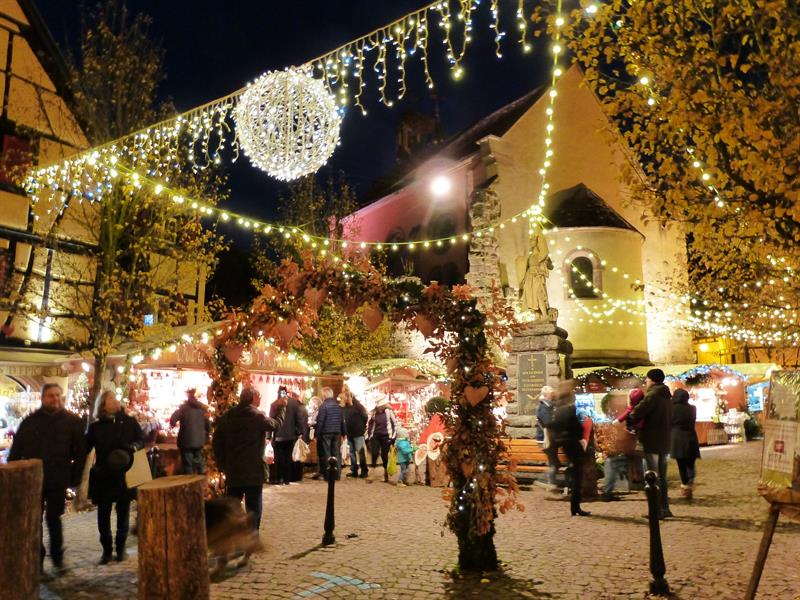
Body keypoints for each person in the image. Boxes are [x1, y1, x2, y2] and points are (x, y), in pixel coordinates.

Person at [8, 382, 87, 573]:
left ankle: (58, 559)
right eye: (51, 395)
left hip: (57, 479)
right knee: (34, 521)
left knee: (54, 519)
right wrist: (14, 475)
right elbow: (16, 451)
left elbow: (80, 453)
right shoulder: (30, 422)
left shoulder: (72, 422)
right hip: (33, 480)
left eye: (58, 395)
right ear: (43, 398)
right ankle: (38, 561)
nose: (55, 399)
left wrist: (74, 478)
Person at [212, 386, 285, 529]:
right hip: (253, 470)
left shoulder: (228, 416)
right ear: (253, 398)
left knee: (233, 506)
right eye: (259, 397)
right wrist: (281, 409)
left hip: (233, 469)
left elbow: (217, 441)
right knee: (253, 506)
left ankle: (235, 536)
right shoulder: (256, 416)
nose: (260, 400)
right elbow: (275, 425)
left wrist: (222, 463)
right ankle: (251, 536)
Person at [86, 391, 145, 564]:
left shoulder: (129, 422)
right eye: (111, 398)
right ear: (103, 404)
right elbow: (86, 446)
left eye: (115, 398)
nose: (115, 401)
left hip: (124, 473)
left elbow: (140, 439)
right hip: (104, 474)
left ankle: (120, 548)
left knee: (123, 511)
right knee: (103, 513)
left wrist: (133, 447)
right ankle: (106, 550)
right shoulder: (96, 427)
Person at [630, 368, 673, 519]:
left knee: (652, 477)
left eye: (647, 380)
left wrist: (630, 416)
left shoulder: (653, 394)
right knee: (661, 477)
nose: (646, 382)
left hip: (652, 440)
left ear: (652, 380)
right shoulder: (667, 395)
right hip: (664, 441)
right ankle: (665, 508)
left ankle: (656, 511)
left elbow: (638, 412)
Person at [548, 381, 592, 516]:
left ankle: (575, 506)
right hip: (572, 444)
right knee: (577, 476)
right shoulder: (568, 408)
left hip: (564, 444)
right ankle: (575, 506)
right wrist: (580, 435)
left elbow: (553, 425)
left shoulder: (558, 408)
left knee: (575, 474)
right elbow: (575, 427)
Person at [271, 386, 307, 485]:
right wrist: (299, 432)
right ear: (286, 392)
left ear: (278, 392)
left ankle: (279, 478)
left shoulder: (274, 404)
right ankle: (287, 479)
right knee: (288, 458)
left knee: (279, 458)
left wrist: (268, 436)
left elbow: (271, 421)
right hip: (290, 436)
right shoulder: (294, 403)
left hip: (278, 436)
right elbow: (299, 420)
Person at [169, 388, 210, 474]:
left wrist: (173, 425)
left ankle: (189, 482)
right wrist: (206, 434)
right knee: (199, 463)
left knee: (188, 465)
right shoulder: (202, 409)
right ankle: (201, 482)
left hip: (186, 441)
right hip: (199, 441)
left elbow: (173, 420)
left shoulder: (183, 409)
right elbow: (208, 425)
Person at [671, 388, 700, 500]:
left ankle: (685, 486)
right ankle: (690, 482)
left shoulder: (672, 409)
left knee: (681, 464)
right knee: (691, 463)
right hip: (691, 437)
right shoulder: (692, 408)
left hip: (677, 438)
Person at [314, 387, 346, 481]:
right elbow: (342, 421)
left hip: (326, 433)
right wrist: (344, 433)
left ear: (324, 395)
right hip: (337, 432)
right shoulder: (338, 406)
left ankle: (328, 475)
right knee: (336, 453)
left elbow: (320, 421)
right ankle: (337, 475)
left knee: (327, 454)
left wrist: (317, 434)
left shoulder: (324, 406)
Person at [367, 398, 397, 483]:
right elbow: (370, 424)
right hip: (376, 436)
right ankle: (372, 473)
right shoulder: (374, 413)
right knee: (374, 453)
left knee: (384, 455)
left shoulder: (389, 411)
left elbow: (395, 424)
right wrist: (370, 436)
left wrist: (392, 437)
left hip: (386, 436)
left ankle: (385, 474)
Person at [341, 386, 369, 479]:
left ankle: (364, 471)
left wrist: (362, 427)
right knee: (352, 453)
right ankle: (354, 470)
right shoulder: (345, 406)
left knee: (360, 452)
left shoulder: (357, 405)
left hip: (357, 433)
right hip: (350, 433)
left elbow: (365, 416)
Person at [535, 385, 559, 485]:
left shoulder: (549, 406)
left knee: (555, 463)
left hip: (549, 438)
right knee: (554, 463)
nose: (553, 396)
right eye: (551, 394)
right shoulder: (544, 407)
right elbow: (548, 422)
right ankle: (548, 483)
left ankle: (546, 482)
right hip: (546, 439)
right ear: (546, 395)